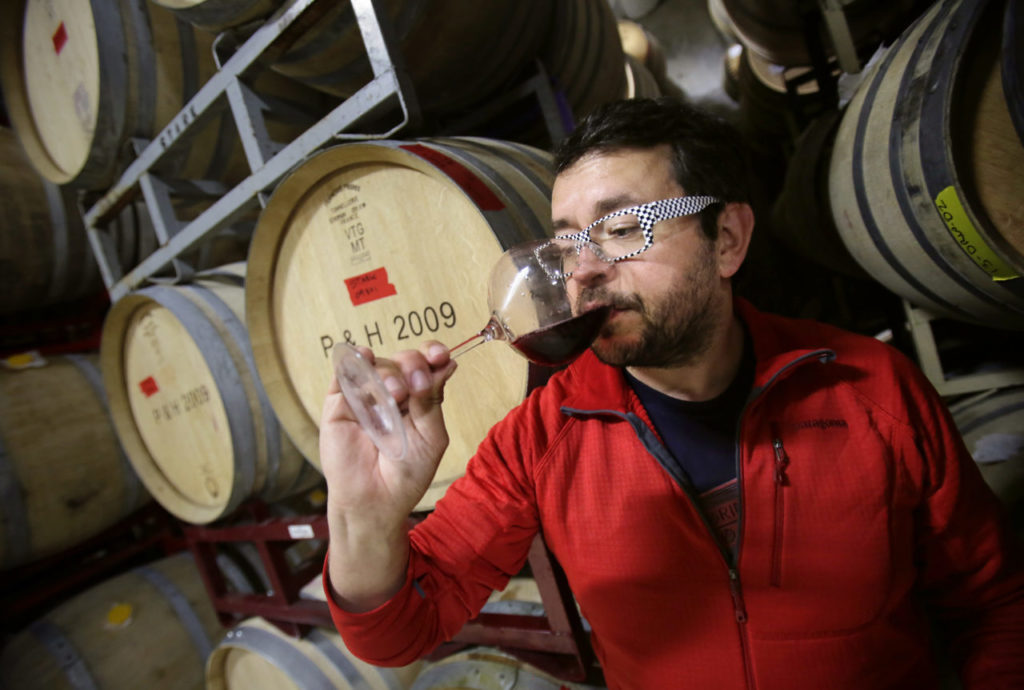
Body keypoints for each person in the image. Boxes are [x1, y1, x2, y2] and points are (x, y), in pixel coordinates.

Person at [319, 97, 1024, 689]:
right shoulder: (540, 437)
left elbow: (995, 604)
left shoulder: (871, 388)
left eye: (622, 229)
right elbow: (397, 632)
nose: (583, 272)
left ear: (728, 240)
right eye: (567, 244)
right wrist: (365, 513)